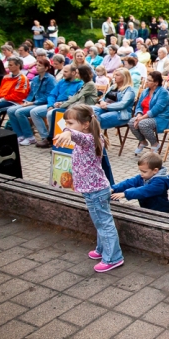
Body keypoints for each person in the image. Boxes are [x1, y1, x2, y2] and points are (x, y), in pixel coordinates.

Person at [54, 105, 124, 273]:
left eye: (70, 123)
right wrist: (68, 130)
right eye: (66, 124)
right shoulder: (88, 135)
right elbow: (73, 133)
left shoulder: (89, 139)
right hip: (93, 190)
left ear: (85, 124)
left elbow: (75, 135)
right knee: (100, 222)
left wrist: (68, 133)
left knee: (104, 224)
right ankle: (102, 249)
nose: (67, 126)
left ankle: (114, 257)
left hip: (96, 191)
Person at [7, 59, 57, 145]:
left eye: (39, 66)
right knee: (10, 110)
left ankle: (30, 137)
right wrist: (26, 102)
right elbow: (31, 93)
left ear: (46, 68)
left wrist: (33, 103)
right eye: (36, 65)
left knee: (20, 112)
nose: (37, 67)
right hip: (32, 102)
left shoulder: (50, 79)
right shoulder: (35, 79)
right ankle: (20, 135)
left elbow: (49, 95)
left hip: (42, 103)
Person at [129, 71, 169, 155]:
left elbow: (156, 109)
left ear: (156, 83)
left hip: (159, 117)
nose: (146, 81)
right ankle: (143, 141)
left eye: (149, 80)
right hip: (144, 116)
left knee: (143, 124)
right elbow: (139, 106)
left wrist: (141, 118)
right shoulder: (145, 91)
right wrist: (139, 115)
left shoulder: (163, 92)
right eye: (147, 79)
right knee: (131, 122)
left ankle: (154, 143)